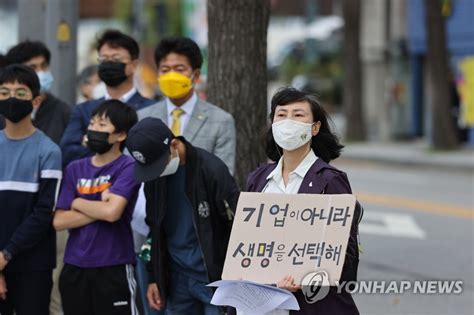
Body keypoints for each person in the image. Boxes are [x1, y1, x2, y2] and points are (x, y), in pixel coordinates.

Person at [241, 87, 360, 314]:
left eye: (298, 115)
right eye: (281, 114)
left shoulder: (330, 181)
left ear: (315, 128)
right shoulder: (258, 179)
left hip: (311, 305)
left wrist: (303, 277)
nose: (288, 121)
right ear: (273, 124)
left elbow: (346, 253)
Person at [125, 117, 239, 314]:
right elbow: (154, 227)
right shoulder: (155, 177)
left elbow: (235, 223)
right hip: (176, 277)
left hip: (213, 279)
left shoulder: (211, 170)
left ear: (175, 144)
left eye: (160, 164)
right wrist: (154, 277)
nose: (157, 171)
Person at [53, 100, 140, 315]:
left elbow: (112, 214)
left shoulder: (128, 166)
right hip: (75, 266)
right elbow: (59, 221)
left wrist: (77, 202)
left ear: (120, 135)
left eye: (102, 125)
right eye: (92, 124)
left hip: (114, 265)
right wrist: (100, 205)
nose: (93, 129)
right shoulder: (75, 168)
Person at [0, 64, 62, 315]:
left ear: (36, 100)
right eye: (4, 92)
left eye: (20, 92)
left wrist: (6, 255)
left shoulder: (49, 151)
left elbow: (43, 212)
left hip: (33, 264)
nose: (12, 98)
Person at [138, 37, 236, 173]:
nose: (171, 76)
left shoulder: (221, 121)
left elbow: (224, 175)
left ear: (195, 75)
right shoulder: (142, 117)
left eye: (179, 69)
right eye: (165, 70)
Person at [60, 29, 154, 166]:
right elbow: (68, 152)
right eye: (104, 59)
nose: (109, 63)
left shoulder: (151, 109)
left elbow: (151, 153)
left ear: (133, 65)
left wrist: (88, 141)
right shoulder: (83, 110)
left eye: (116, 59)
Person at [0, 40, 71, 144]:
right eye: (32, 67)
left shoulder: (63, 112)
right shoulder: (3, 109)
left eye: (44, 66)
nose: (41, 72)